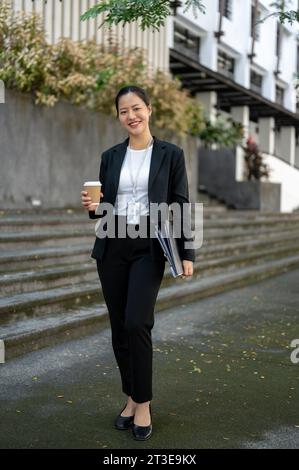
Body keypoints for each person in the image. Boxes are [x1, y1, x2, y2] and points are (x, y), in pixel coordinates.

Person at [81, 85, 195, 441]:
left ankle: (143, 404)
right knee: (119, 327)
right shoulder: (111, 156)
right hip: (112, 247)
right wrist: (92, 208)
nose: (131, 116)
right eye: (123, 111)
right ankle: (130, 398)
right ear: (118, 117)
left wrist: (187, 252)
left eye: (136, 108)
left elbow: (181, 203)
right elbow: (104, 208)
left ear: (149, 109)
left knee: (137, 322)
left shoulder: (170, 154)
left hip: (150, 246)